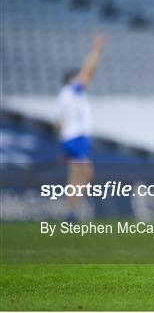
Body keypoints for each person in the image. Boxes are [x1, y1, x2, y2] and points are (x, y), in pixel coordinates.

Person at [56, 33, 105, 222]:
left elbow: (58, 122)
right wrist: (96, 48)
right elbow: (88, 70)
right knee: (84, 174)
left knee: (77, 175)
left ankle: (70, 210)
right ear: (72, 79)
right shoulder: (73, 90)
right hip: (77, 138)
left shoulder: (63, 95)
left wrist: (63, 141)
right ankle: (70, 210)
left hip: (69, 138)